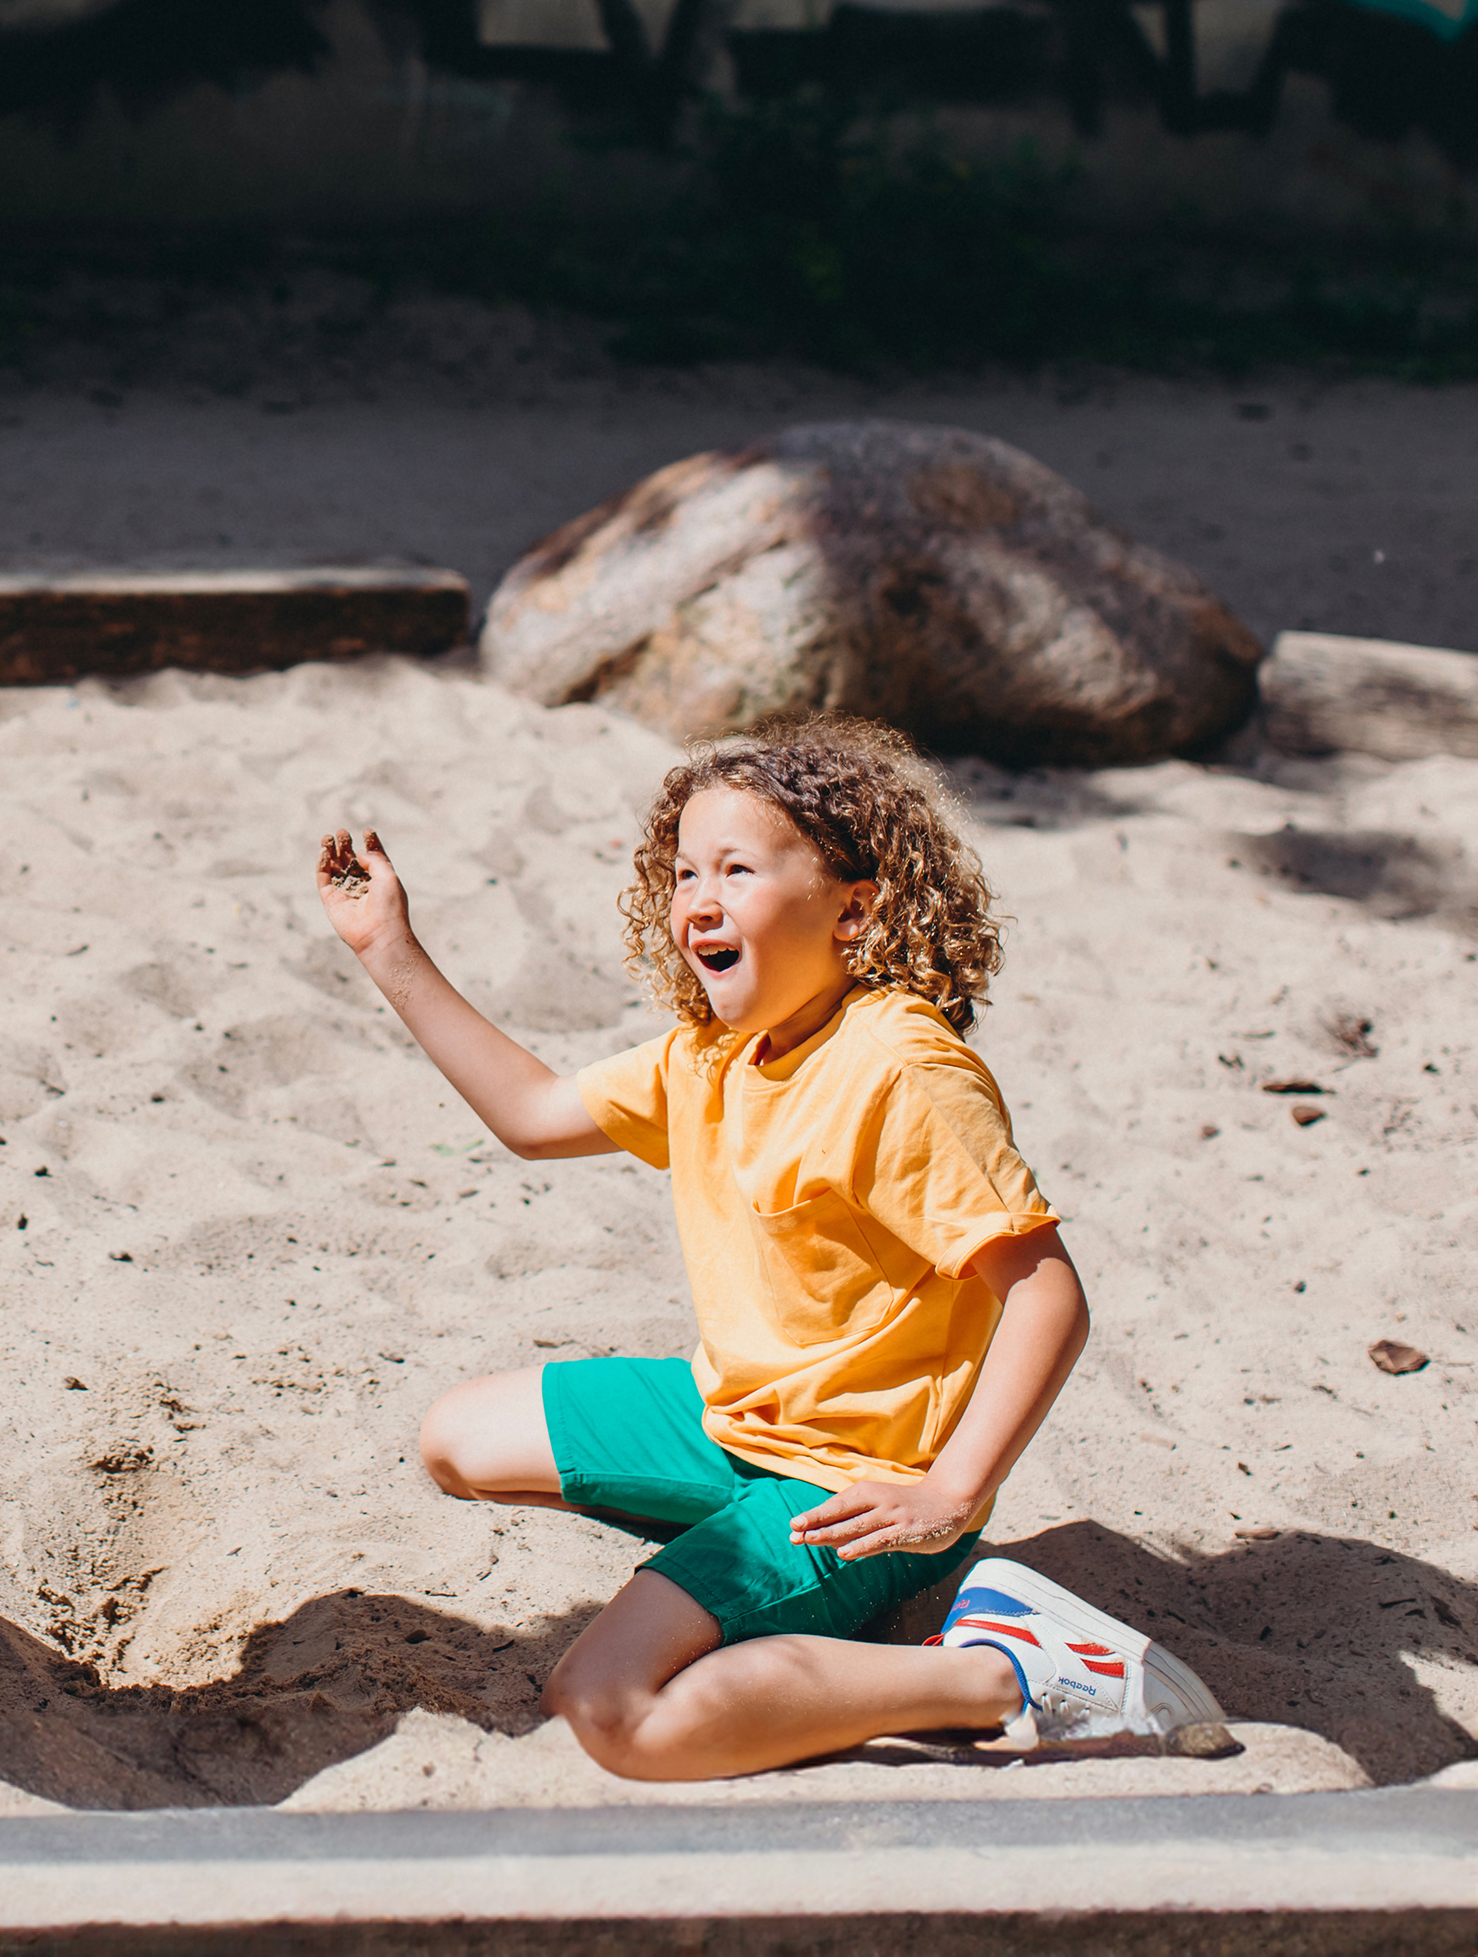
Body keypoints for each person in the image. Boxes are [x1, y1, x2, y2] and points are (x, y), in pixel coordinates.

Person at [314, 715, 1223, 1780]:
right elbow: (530, 1112)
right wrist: (388, 945)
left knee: (610, 1709)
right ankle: (743, 1568)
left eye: (737, 868)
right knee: (455, 1438)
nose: (698, 895)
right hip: (733, 1418)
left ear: (852, 908)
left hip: (854, 1480)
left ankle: (1005, 1669)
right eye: (685, 869)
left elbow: (1045, 1293)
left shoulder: (898, 1067)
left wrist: (950, 1495)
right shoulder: (713, 1054)